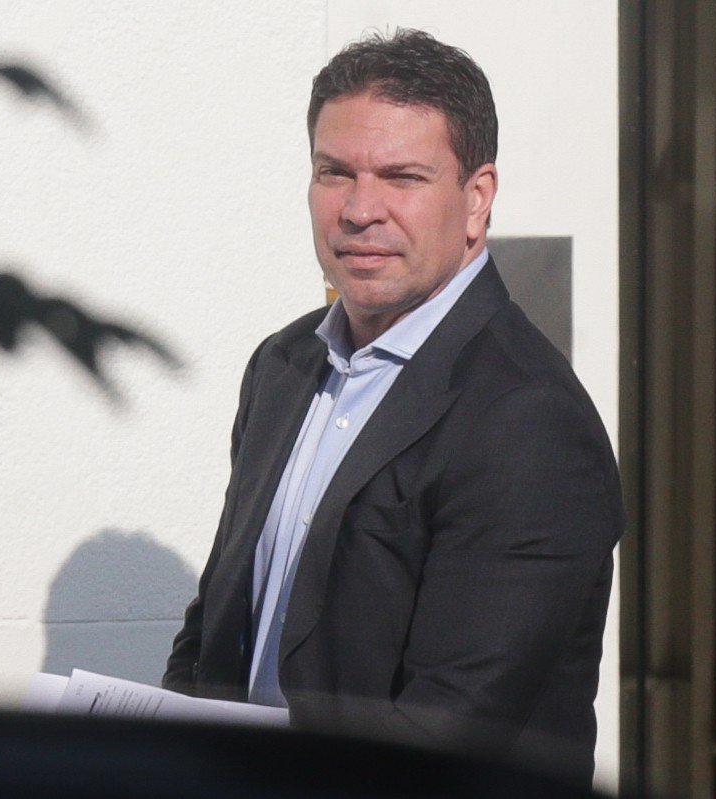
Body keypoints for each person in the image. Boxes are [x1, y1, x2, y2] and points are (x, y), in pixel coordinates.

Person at [163, 29, 622, 785]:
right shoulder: (284, 366)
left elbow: (446, 728)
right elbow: (215, 627)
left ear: (477, 199)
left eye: (402, 177)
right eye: (335, 172)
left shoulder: (529, 422)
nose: (359, 209)